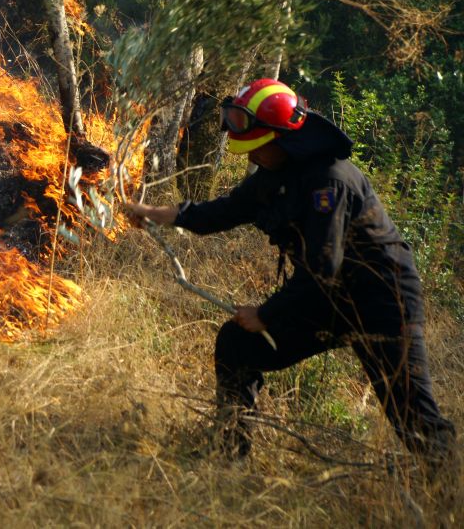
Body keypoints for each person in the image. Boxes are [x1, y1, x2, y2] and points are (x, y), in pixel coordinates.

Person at [123, 78, 457, 470]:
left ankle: (447, 489)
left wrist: (266, 313)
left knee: (412, 416)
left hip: (383, 301)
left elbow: (322, 267)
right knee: (237, 345)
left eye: (258, 147)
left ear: (284, 137)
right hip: (326, 301)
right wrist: (163, 215)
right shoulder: (275, 171)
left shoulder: (330, 182)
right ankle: (229, 453)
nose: (253, 156)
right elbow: (227, 210)